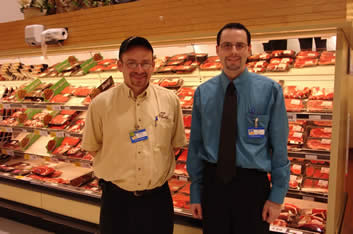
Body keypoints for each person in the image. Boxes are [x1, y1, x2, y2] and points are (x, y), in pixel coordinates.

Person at [186, 23, 290, 234]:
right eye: (227, 45)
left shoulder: (270, 90)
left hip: (253, 188)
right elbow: (195, 146)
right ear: (217, 50)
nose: (233, 51)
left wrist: (277, 197)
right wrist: (196, 191)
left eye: (239, 45)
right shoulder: (202, 93)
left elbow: (279, 147)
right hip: (213, 186)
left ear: (249, 49)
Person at [82, 36, 187, 234]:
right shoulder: (100, 104)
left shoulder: (170, 100)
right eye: (132, 63)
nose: (139, 70)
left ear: (153, 65)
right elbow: (93, 148)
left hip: (158, 201)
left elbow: (175, 145)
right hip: (116, 201)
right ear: (120, 65)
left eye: (145, 63)